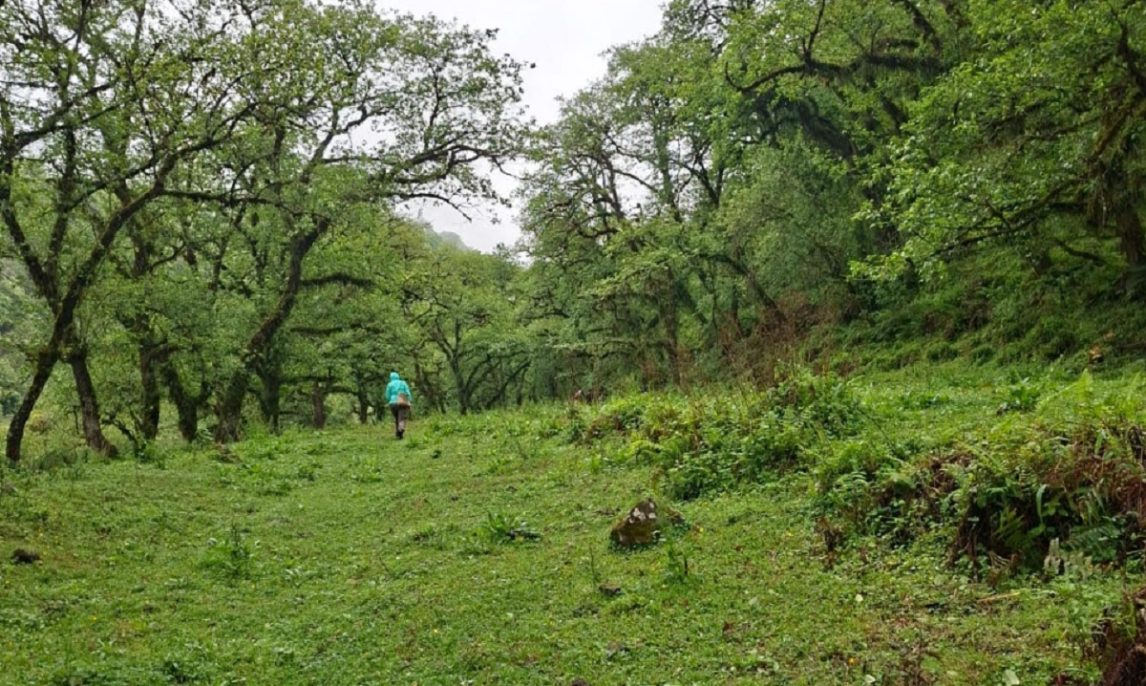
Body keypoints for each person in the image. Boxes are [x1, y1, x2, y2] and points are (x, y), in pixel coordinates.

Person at [384, 371, 413, 439]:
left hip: (393, 403)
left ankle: (398, 434)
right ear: (398, 376)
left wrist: (390, 399)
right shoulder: (403, 383)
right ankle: (401, 429)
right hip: (402, 402)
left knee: (397, 418)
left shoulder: (390, 384)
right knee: (402, 418)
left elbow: (387, 395)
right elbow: (407, 392)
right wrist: (409, 400)